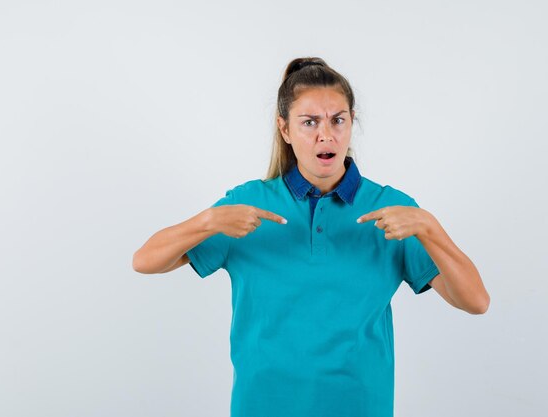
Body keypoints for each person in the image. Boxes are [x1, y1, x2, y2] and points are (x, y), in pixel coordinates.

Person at [132, 57, 490, 417]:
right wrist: (207, 221)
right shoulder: (248, 204)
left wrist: (430, 228)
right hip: (262, 406)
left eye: (338, 120)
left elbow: (476, 301)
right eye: (310, 122)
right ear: (284, 129)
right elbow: (144, 261)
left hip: (360, 406)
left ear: (352, 124)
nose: (326, 134)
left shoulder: (392, 210)